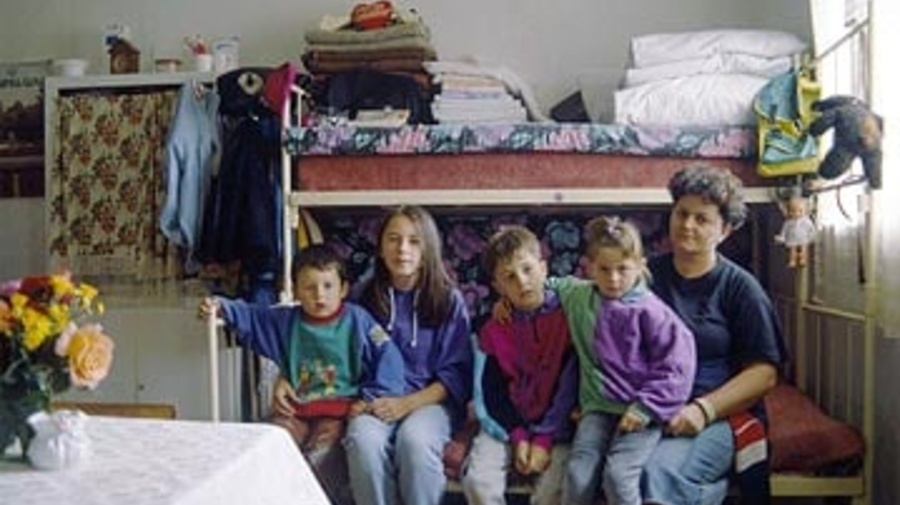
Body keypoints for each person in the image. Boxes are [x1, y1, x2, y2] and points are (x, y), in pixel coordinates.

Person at [270, 206, 471, 505]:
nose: (402, 249)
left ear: (428, 248)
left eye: (414, 241)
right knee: (363, 440)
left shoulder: (448, 300)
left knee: (415, 443)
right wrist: (285, 377)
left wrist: (405, 404)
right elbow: (318, 342)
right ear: (380, 246)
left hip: (428, 402)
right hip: (372, 399)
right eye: (393, 239)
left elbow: (456, 373)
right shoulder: (362, 296)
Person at [198, 244, 405, 504]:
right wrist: (220, 306)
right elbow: (252, 316)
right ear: (296, 291)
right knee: (269, 445)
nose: (320, 296)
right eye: (309, 287)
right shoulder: (286, 320)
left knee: (321, 458)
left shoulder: (358, 320)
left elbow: (389, 356)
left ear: (343, 289)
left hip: (339, 413)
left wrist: (371, 398)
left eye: (328, 286)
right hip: (295, 410)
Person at [640, 164, 787, 505]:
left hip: (719, 415)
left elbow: (764, 374)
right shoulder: (645, 278)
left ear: (725, 230)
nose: (687, 225)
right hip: (654, 409)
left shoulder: (741, 288)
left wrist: (703, 410)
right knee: (614, 469)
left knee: (657, 472)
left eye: (702, 219)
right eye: (681, 213)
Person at [547, 216, 696, 505]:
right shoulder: (579, 296)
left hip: (642, 410)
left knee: (617, 476)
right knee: (578, 474)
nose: (613, 279)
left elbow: (678, 366)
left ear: (640, 266)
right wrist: (511, 302)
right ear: (590, 267)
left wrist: (645, 408)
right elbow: (546, 287)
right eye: (604, 269)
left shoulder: (652, 312)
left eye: (623, 269)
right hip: (598, 408)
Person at [461, 225, 578, 505]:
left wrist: (544, 438)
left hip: (559, 428)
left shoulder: (569, 318)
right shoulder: (493, 331)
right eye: (509, 277)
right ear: (498, 287)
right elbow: (490, 395)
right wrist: (518, 436)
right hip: (505, 426)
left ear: (543, 268)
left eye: (528, 269)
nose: (522, 282)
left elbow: (570, 387)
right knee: (478, 482)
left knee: (555, 491)